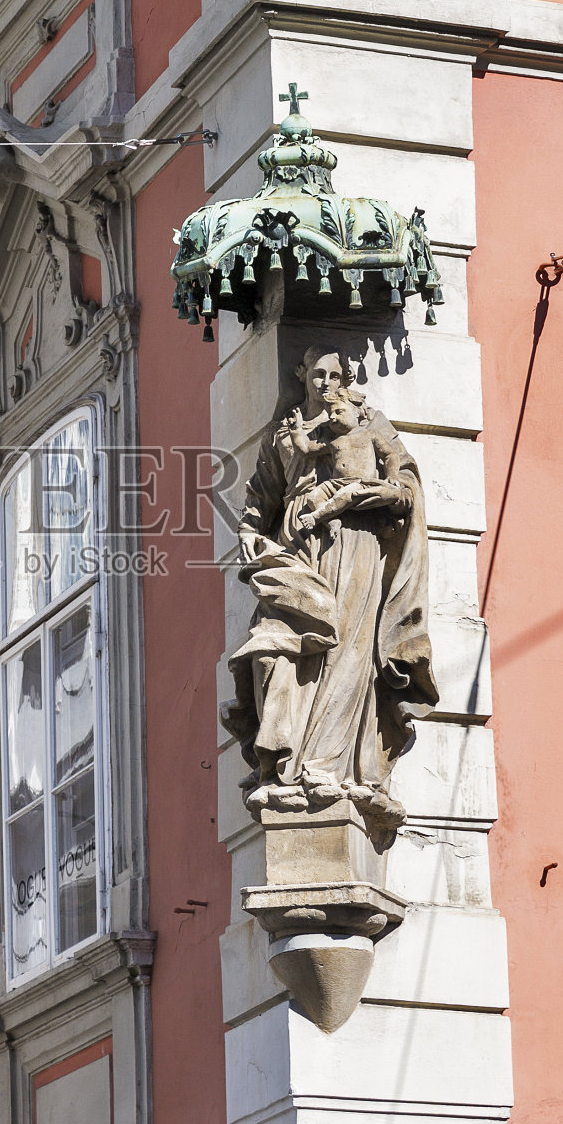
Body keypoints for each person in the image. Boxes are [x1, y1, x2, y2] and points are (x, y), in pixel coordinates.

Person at [222, 347, 438, 820]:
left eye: (334, 374)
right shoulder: (285, 432)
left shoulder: (368, 422)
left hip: (357, 546)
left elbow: (404, 478)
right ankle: (282, 764)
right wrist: (248, 533)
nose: (324, 382)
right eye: (317, 373)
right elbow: (261, 495)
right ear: (301, 374)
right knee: (274, 647)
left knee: (348, 653)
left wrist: (381, 494)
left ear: (346, 377)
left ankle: (334, 771)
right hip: (297, 548)